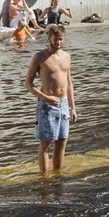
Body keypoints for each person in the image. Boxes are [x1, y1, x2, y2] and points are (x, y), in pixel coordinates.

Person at [23, 25, 75, 176]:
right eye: (55, 39)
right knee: (46, 142)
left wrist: (73, 108)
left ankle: (58, 174)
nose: (58, 42)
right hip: (47, 106)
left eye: (60, 39)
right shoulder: (39, 57)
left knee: (62, 141)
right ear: (49, 39)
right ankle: (44, 177)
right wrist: (46, 98)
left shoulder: (67, 56)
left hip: (63, 104)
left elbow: (69, 84)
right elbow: (28, 83)